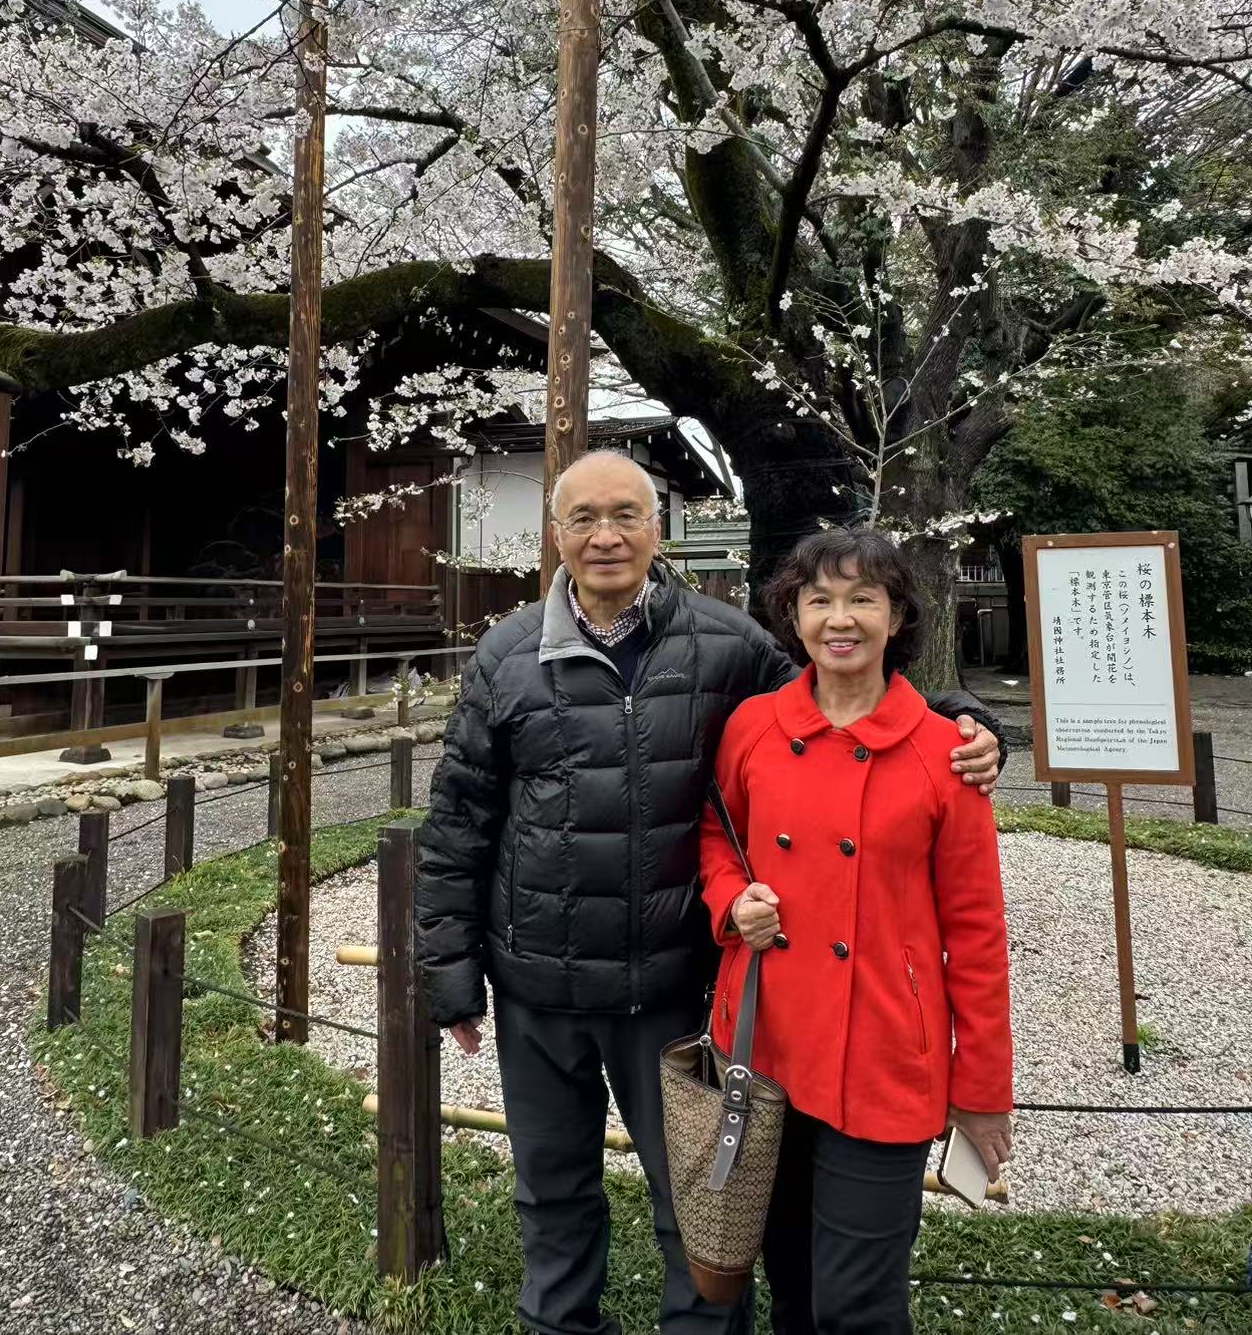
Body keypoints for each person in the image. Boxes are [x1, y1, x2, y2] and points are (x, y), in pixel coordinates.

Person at [416, 454, 1006, 1335]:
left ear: (658, 527)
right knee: (550, 1189)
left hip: (667, 981)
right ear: (556, 533)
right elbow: (460, 817)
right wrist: (451, 973)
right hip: (536, 979)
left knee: (699, 1201)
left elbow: (839, 692)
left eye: (626, 515)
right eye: (584, 519)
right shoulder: (507, 653)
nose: (606, 536)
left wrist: (964, 719)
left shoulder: (726, 643)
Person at [700, 526, 1014, 1335]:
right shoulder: (753, 726)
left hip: (883, 1054)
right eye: (819, 600)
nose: (840, 619)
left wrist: (981, 1091)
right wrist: (732, 899)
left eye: (863, 599)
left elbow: (977, 933)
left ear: (898, 615)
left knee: (857, 1304)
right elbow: (716, 835)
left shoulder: (946, 753)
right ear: (793, 616)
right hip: (765, 1042)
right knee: (790, 1282)